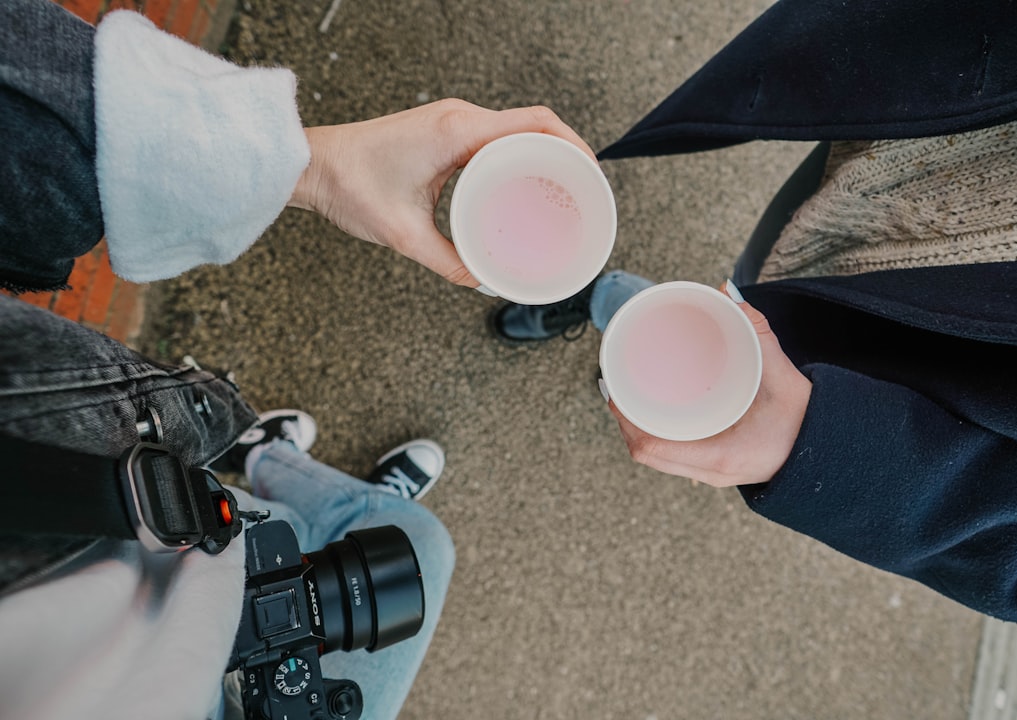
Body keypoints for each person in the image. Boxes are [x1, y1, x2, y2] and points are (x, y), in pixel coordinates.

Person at [0, 0, 596, 718]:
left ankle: (267, 458)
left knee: (355, 539)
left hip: (147, 531)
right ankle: (279, 465)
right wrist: (301, 167)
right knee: (414, 546)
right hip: (182, 585)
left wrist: (309, 168)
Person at [490, 1, 1017, 633]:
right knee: (763, 281)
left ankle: (618, 309)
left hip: (924, 400)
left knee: (749, 340)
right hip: (937, 143)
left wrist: (828, 452)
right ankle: (611, 301)